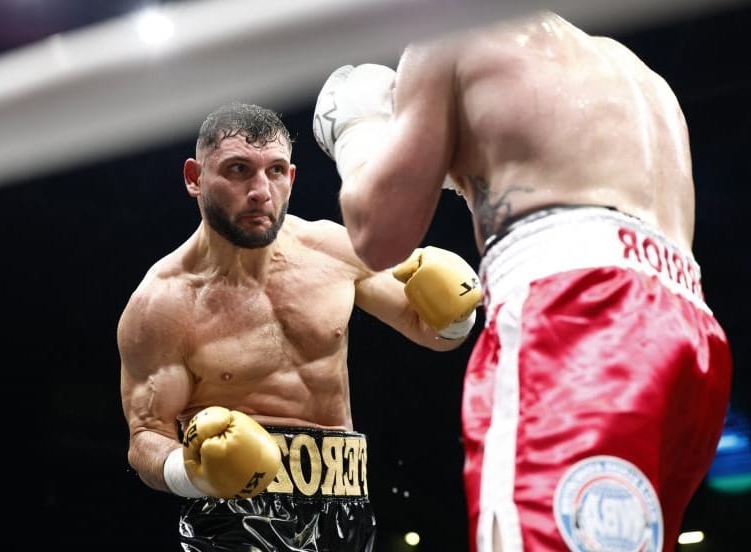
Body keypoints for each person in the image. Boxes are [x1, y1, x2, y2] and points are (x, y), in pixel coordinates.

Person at [312, 10, 733, 552]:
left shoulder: (451, 36)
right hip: (691, 340)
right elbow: (538, 184)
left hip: (577, 321)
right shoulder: (638, 75)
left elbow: (378, 235)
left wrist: (357, 130)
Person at [117, 102, 483, 551]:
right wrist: (192, 473)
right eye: (237, 170)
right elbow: (146, 436)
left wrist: (458, 313)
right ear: (195, 178)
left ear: (291, 178)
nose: (260, 191)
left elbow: (433, 330)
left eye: (274, 171)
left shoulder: (334, 250)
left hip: (346, 506)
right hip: (237, 520)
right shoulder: (162, 303)